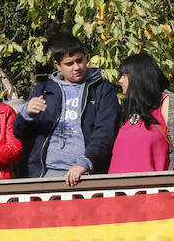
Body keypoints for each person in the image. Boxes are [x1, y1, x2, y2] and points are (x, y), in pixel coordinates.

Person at [13, 31, 121, 186]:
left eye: (80, 61)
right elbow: (19, 133)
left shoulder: (102, 89)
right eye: (69, 64)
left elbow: (105, 132)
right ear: (58, 65)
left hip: (87, 175)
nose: (76, 67)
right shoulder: (43, 90)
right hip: (46, 174)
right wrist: (26, 114)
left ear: (85, 56)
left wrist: (85, 163)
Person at [108, 53, 174, 173]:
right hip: (119, 190)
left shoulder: (171, 106)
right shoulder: (130, 109)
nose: (120, 80)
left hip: (155, 190)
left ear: (138, 76)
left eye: (124, 75)